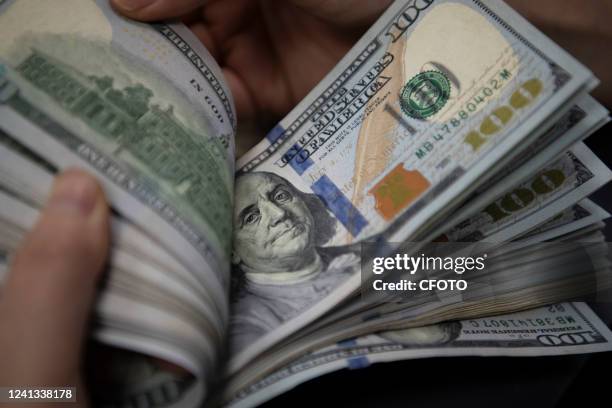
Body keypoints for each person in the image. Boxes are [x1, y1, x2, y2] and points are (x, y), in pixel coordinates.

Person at [1, 0, 612, 404]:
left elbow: (531, 273)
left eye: (278, 194)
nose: (280, 209)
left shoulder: (366, 265)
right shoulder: (258, 320)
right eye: (252, 213)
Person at [230, 172, 359, 352]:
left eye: (281, 196)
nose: (279, 213)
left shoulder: (364, 254)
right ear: (231, 251)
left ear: (304, 201)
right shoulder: (247, 328)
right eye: (251, 217)